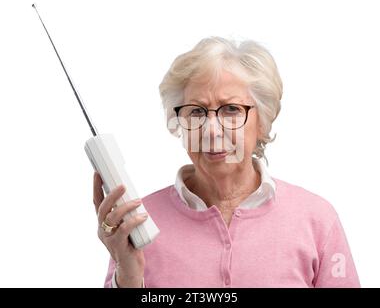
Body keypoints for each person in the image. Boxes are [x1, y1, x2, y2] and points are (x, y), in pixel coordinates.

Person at [93, 36, 360, 288]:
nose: (211, 130)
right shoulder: (139, 224)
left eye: (231, 109)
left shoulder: (316, 219)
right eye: (196, 111)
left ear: (263, 122)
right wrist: (127, 276)